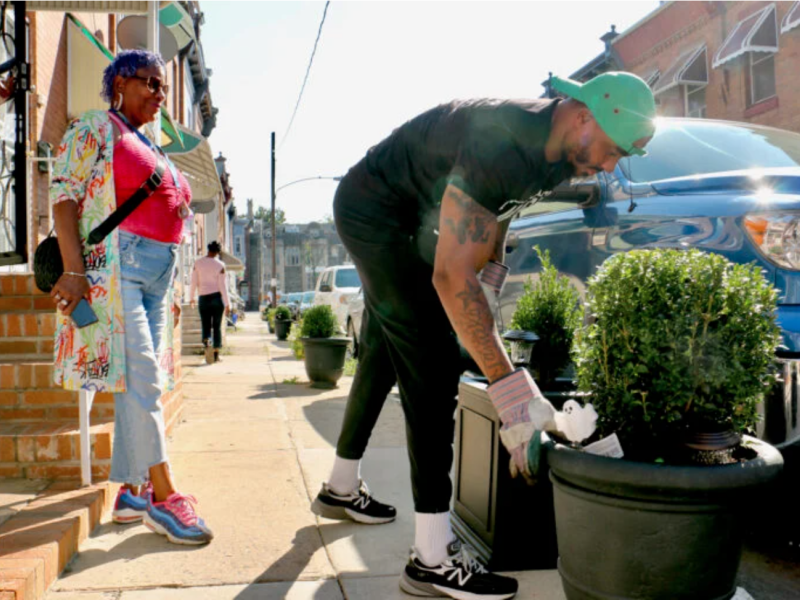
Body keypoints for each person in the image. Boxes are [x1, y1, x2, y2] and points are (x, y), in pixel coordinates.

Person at [311, 72, 656, 599]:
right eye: (613, 150)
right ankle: (430, 558)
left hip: (415, 219)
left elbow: (495, 215)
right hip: (376, 212)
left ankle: (339, 487)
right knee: (429, 363)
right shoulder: (506, 140)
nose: (610, 165)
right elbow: (451, 275)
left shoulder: (555, 151)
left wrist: (488, 288)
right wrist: (512, 392)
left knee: (386, 346)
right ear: (585, 117)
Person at [50, 49, 212, 546]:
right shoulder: (95, 129)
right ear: (121, 81)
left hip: (158, 272)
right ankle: (164, 497)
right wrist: (73, 270)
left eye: (163, 86)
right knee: (141, 374)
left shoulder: (148, 142)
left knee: (142, 379)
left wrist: (179, 281)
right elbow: (64, 198)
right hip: (119, 265)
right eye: (152, 83)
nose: (160, 95)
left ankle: (132, 491)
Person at [190, 241, 231, 362]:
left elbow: (194, 282)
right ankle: (216, 354)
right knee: (217, 326)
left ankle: (207, 344)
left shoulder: (197, 263)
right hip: (217, 298)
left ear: (208, 249)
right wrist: (227, 303)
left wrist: (191, 297)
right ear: (218, 252)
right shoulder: (220, 265)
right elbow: (223, 286)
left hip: (203, 298)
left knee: (205, 325)